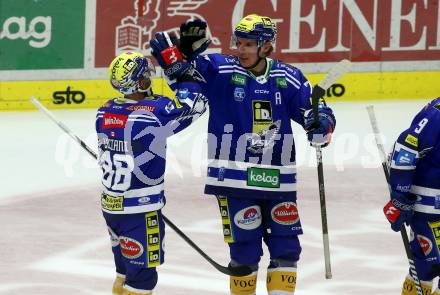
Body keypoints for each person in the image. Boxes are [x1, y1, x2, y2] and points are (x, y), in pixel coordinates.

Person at [149, 14, 336, 294]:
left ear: (266, 46)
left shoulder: (289, 76)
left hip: (278, 179)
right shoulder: (220, 68)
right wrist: (183, 54)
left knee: (287, 249)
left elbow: (316, 111)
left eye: (250, 44)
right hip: (234, 180)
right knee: (245, 254)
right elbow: (185, 79)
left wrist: (321, 125)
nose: (242, 50)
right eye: (239, 43)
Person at [96, 51, 207, 295]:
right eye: (146, 75)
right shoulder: (154, 112)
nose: (150, 77)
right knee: (142, 280)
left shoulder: (104, 111)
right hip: (140, 211)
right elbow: (197, 104)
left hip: (112, 207)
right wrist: (181, 73)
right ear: (141, 82)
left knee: (123, 271)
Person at [383, 97, 440, 295]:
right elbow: (406, 148)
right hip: (430, 209)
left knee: (423, 266)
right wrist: (400, 196)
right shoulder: (436, 114)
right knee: (424, 266)